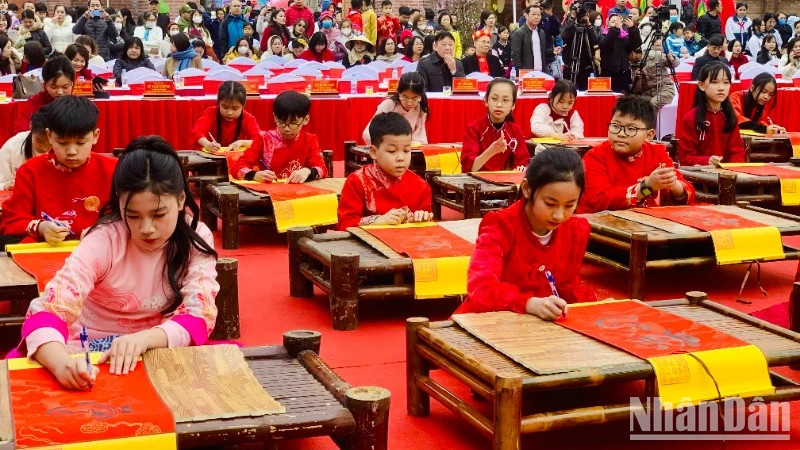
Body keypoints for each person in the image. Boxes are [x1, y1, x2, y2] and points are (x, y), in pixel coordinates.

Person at [9, 135, 218, 387]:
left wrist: (145, 339)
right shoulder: (105, 239)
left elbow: (200, 314)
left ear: (182, 200)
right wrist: (62, 364)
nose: (147, 229)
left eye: (159, 214)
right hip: (88, 353)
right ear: (120, 204)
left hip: (159, 349)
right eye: (133, 215)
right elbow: (47, 310)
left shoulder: (196, 237)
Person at [453, 147, 595, 317]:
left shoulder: (576, 230)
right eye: (550, 203)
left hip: (544, 325)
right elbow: (481, 289)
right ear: (527, 189)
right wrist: (528, 303)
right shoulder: (500, 225)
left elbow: (567, 288)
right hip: (490, 319)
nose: (559, 215)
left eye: (570, 205)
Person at [1, 96, 117, 246]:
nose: (71, 151)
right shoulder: (30, 171)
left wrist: (103, 230)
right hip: (45, 252)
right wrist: (41, 227)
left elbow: (128, 217)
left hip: (101, 250)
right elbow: (11, 222)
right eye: (62, 143)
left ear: (95, 136)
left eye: (81, 142)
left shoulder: (114, 169)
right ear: (49, 136)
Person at [578, 95, 695, 214]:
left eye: (631, 129)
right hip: (603, 224)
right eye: (616, 126)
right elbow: (598, 200)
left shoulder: (657, 153)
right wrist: (646, 187)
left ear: (649, 135)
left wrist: (673, 185)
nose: (621, 134)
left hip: (649, 223)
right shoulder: (595, 157)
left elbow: (686, 193)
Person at [337, 112, 432, 230]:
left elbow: (426, 228)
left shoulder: (420, 186)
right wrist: (377, 221)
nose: (401, 158)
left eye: (407, 150)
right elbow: (344, 224)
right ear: (373, 152)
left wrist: (421, 218)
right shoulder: (358, 181)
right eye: (392, 151)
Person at [231, 90, 327, 183]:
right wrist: (254, 175)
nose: (286, 129)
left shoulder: (309, 140)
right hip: (270, 194)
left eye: (293, 123)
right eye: (281, 122)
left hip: (300, 194)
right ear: (274, 117)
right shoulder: (264, 139)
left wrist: (308, 171)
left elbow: (322, 169)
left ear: (306, 119)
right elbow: (237, 167)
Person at [678, 62, 746, 166]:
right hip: (698, 176)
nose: (721, 88)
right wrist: (706, 161)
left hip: (728, 175)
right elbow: (685, 157)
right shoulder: (691, 118)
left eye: (726, 82)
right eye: (714, 82)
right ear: (701, 85)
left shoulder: (729, 117)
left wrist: (732, 170)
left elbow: (737, 152)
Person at [460, 78, 530, 173]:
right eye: (494, 99)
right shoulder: (474, 128)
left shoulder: (515, 131)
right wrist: (491, 151)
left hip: (506, 183)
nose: (499, 104)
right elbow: (469, 169)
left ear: (513, 105)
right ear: (486, 101)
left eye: (505, 100)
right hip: (477, 183)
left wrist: (522, 169)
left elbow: (523, 163)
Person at [192, 81, 263, 153]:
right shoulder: (211, 113)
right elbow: (197, 132)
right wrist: (208, 145)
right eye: (225, 107)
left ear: (243, 105)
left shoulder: (247, 118)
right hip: (212, 157)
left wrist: (242, 142)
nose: (229, 113)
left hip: (237, 159)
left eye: (235, 108)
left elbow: (260, 140)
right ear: (218, 102)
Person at [12, 55, 73, 134]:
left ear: (72, 84)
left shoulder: (77, 106)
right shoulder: (33, 105)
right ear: (44, 85)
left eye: (65, 87)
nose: (60, 92)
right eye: (53, 87)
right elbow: (20, 134)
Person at [362, 72, 428, 145]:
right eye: (404, 97)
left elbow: (420, 138)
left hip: (407, 151)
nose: (409, 103)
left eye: (414, 98)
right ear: (399, 93)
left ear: (421, 96)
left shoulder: (420, 109)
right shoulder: (388, 105)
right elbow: (368, 134)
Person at [0, 107, 50, 190]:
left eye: (50, 143)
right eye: (39, 141)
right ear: (31, 126)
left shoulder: (62, 147)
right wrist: (5, 186)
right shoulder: (14, 145)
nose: (44, 147)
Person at [632, 34, 680, 109]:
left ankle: (651, 121)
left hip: (664, 89)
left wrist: (672, 58)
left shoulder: (655, 55)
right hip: (648, 93)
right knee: (636, 104)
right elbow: (637, 90)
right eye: (657, 45)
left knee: (654, 103)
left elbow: (674, 63)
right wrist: (638, 78)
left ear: (632, 53)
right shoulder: (632, 66)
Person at [560, 10, 599, 91]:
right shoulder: (570, 24)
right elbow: (564, 37)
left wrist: (588, 24)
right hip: (571, 66)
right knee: (569, 90)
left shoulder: (589, 26)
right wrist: (573, 19)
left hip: (585, 66)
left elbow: (595, 40)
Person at [511, 5, 556, 74]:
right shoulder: (519, 33)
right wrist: (518, 72)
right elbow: (515, 55)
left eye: (539, 15)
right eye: (533, 14)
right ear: (526, 15)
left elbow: (542, 52)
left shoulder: (541, 32)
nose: (536, 17)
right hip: (526, 73)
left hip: (541, 72)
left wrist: (553, 52)